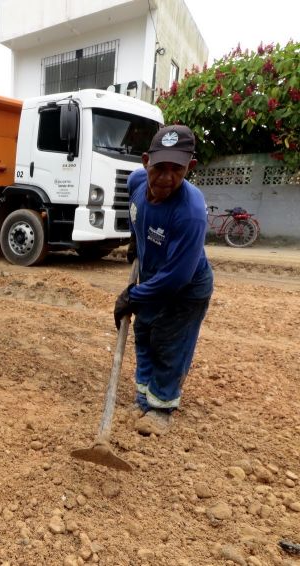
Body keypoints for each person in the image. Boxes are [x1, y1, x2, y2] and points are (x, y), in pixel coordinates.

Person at [114, 124, 214, 436]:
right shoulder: (135, 182)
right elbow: (136, 215)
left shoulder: (190, 212)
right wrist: (135, 242)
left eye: (177, 169)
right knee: (144, 333)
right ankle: (144, 398)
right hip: (156, 276)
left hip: (187, 288)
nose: (166, 178)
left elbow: (177, 277)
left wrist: (133, 296)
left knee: (169, 344)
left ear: (191, 167)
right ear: (146, 161)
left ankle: (161, 408)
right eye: (159, 167)